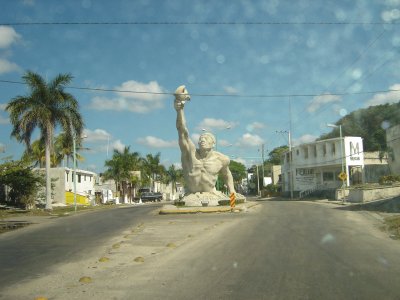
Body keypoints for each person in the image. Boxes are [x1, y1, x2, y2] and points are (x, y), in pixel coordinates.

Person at [174, 85, 236, 195]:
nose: (203, 140)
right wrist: (179, 111)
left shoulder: (222, 159)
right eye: (201, 139)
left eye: (206, 138)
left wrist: (232, 191)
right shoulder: (191, 154)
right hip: (192, 195)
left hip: (211, 194)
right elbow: (182, 132)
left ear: (213, 143)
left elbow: (227, 174)